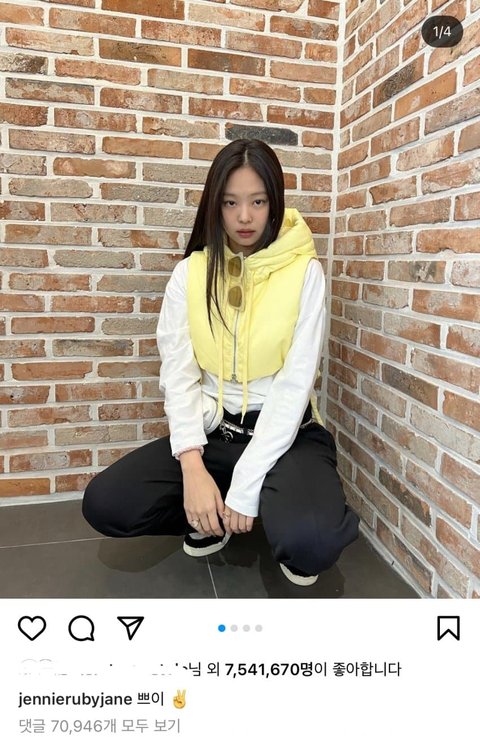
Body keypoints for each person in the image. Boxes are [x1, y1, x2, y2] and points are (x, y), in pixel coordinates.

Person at [82, 138, 359, 587]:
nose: (244, 216)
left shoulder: (305, 272)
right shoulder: (190, 273)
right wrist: (192, 467)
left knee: (311, 543)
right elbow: (178, 375)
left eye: (257, 201)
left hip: (288, 436)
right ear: (216, 204)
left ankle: (270, 512)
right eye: (231, 202)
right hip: (214, 431)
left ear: (274, 203)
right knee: (106, 503)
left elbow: (294, 386)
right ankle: (208, 515)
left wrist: (246, 486)